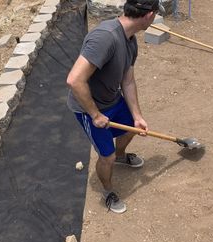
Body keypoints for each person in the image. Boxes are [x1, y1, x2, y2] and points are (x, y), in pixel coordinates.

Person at [66, 0, 164, 214]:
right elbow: (74, 80)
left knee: (134, 128)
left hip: (112, 99)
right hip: (89, 108)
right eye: (156, 14)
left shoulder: (130, 40)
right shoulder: (105, 37)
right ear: (149, 15)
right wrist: (95, 114)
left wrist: (137, 115)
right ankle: (108, 190)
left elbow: (127, 81)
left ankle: (120, 155)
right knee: (105, 156)